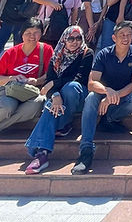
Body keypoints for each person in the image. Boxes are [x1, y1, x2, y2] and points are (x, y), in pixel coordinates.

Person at [72, 21, 132, 174]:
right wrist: (107, 91)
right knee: (91, 98)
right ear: (114, 38)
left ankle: (109, 118)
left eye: (129, 35)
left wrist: (114, 95)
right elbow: (92, 83)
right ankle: (86, 149)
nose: (125, 38)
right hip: (103, 93)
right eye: (122, 35)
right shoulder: (104, 54)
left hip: (122, 96)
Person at [23, 25, 95, 174]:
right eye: (70, 38)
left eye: (78, 38)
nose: (74, 42)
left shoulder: (86, 53)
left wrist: (53, 84)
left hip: (78, 97)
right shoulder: (56, 56)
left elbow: (79, 78)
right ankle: (42, 154)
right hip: (60, 99)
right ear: (64, 40)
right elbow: (49, 82)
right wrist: (55, 95)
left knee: (71, 87)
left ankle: (60, 127)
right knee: (51, 104)